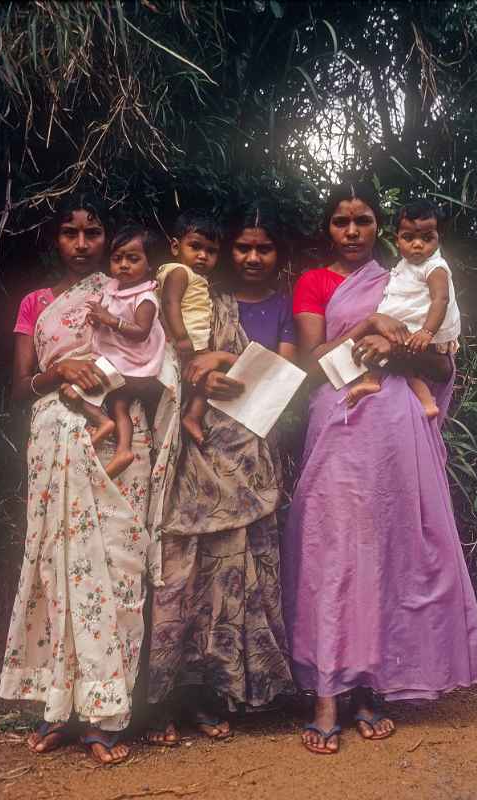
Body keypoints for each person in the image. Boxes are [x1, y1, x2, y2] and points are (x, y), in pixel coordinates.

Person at [282, 181, 477, 755]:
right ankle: (326, 692)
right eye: (341, 222)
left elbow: (441, 366)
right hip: (340, 423)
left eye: (364, 221)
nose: (352, 232)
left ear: (384, 228)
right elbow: (314, 363)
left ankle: (371, 687)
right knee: (332, 551)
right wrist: (368, 330)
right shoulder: (316, 282)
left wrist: (397, 349)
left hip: (399, 430)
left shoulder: (411, 278)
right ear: (327, 229)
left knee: (386, 552)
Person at [0, 194, 154, 765]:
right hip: (54, 434)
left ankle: (107, 714)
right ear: (56, 239)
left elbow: (151, 364)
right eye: (71, 233)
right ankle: (58, 709)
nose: (83, 244)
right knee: (56, 565)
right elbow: (19, 388)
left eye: (93, 233)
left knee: (117, 567)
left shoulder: (130, 295)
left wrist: (111, 385)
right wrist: (57, 370)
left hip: (118, 430)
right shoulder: (38, 303)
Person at [146, 205, 296, 746]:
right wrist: (202, 372)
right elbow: (165, 357)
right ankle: (162, 698)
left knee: (231, 579)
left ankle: (215, 693)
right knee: (177, 574)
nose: (252, 257)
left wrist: (225, 359)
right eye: (243, 247)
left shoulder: (283, 306)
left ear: (279, 256)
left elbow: (281, 377)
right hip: (189, 451)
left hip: (248, 454)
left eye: (265, 248)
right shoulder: (198, 299)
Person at [61, 224, 166, 478]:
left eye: (133, 258)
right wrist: (98, 318)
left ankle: (102, 422)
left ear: (149, 263)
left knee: (71, 389)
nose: (124, 265)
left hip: (135, 364)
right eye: (117, 258)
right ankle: (123, 449)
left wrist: (110, 320)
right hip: (120, 363)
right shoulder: (115, 289)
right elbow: (107, 313)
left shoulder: (146, 298)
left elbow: (140, 331)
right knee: (119, 405)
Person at [346, 199, 461, 417]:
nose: (418, 244)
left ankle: (419, 399)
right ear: (397, 239)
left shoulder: (435, 267)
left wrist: (427, 331)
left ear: (438, 238)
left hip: (422, 329)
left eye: (427, 238)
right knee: (402, 366)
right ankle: (381, 385)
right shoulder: (404, 265)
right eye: (409, 237)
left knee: (402, 362)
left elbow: (441, 299)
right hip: (407, 326)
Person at [155, 211, 220, 446]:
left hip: (190, 341)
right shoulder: (180, 272)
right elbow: (169, 303)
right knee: (208, 374)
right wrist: (182, 338)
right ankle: (191, 417)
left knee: (201, 378)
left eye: (211, 251)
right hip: (184, 341)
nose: (203, 255)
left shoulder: (192, 275)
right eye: (195, 246)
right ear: (175, 246)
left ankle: (190, 416)